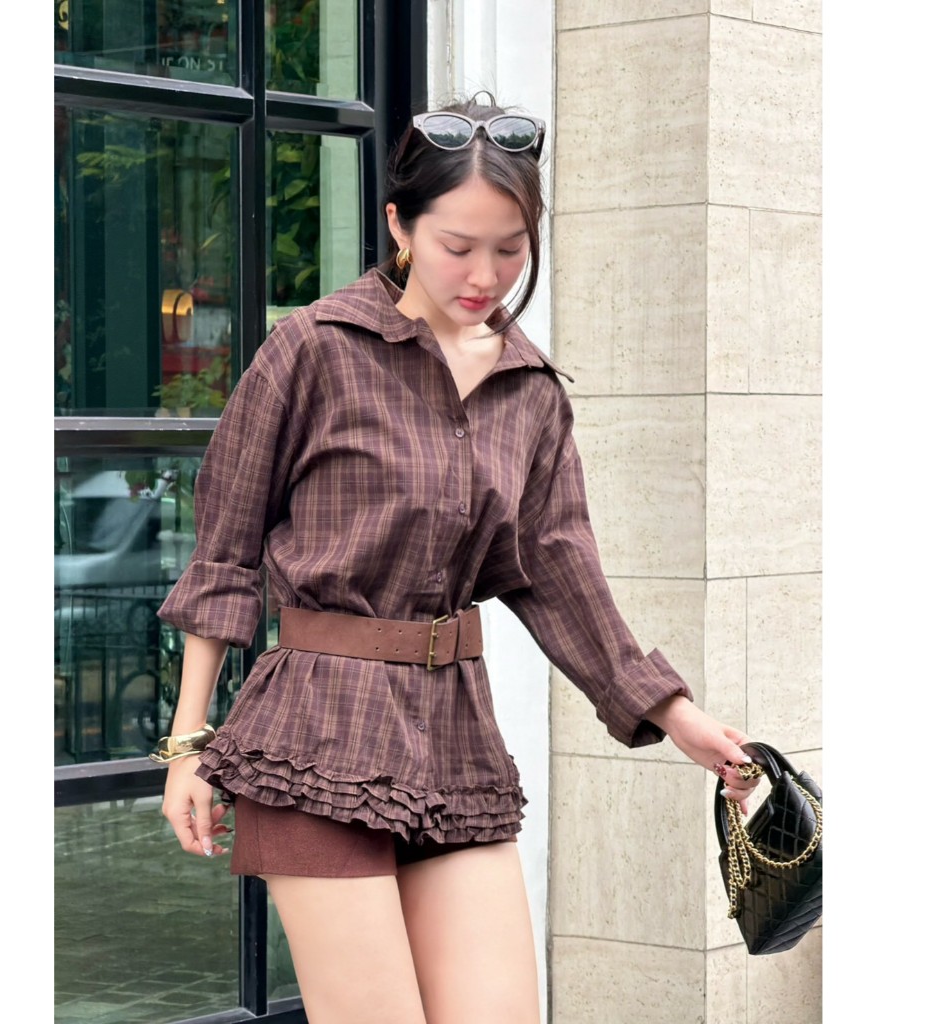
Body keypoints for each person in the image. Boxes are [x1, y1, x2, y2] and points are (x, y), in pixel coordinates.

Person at [154, 92, 760, 1024]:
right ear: (400, 225)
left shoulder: (531, 389)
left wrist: (675, 714)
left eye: (510, 249)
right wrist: (189, 744)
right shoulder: (313, 351)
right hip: (316, 729)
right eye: (458, 245)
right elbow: (224, 553)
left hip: (454, 736)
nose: (485, 275)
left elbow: (557, 572)